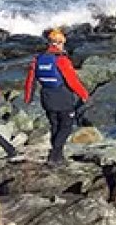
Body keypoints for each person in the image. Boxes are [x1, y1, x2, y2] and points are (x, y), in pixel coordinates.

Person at [24, 28, 90, 165]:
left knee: (55, 125)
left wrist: (28, 98)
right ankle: (54, 154)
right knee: (66, 126)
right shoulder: (61, 60)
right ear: (57, 43)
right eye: (61, 43)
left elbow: (30, 81)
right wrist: (84, 94)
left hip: (47, 97)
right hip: (62, 97)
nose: (62, 45)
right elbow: (72, 81)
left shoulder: (37, 60)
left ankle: (58, 157)